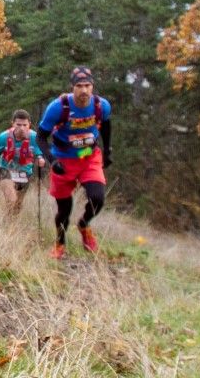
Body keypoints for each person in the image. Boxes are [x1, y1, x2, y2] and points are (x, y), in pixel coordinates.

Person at [37, 66, 113, 259]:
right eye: (79, 86)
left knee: (97, 198)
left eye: (87, 85)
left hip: (88, 155)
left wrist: (107, 151)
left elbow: (106, 127)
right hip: (63, 159)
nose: (84, 90)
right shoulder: (58, 107)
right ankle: (60, 243)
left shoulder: (101, 105)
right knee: (64, 209)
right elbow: (40, 137)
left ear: (92, 86)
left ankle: (84, 225)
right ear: (72, 87)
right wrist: (52, 160)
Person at [0, 109, 46, 214]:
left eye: (25, 125)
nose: (22, 128)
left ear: (29, 124)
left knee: (18, 205)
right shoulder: (3, 137)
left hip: (25, 172)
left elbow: (39, 153)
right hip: (6, 169)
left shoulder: (34, 137)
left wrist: (40, 159)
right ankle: (6, 220)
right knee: (11, 199)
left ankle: (9, 222)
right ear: (12, 124)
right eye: (18, 125)